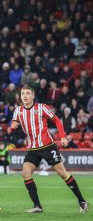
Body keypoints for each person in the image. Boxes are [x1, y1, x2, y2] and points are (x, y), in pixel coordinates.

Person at [9, 85, 88, 213]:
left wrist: (62, 137)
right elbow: (13, 124)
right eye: (23, 93)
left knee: (62, 173)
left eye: (28, 93)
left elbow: (58, 122)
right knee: (26, 173)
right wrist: (13, 126)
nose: (25, 96)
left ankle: (82, 201)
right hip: (32, 148)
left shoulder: (41, 108)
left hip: (47, 146)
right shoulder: (18, 111)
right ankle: (37, 206)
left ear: (33, 96)